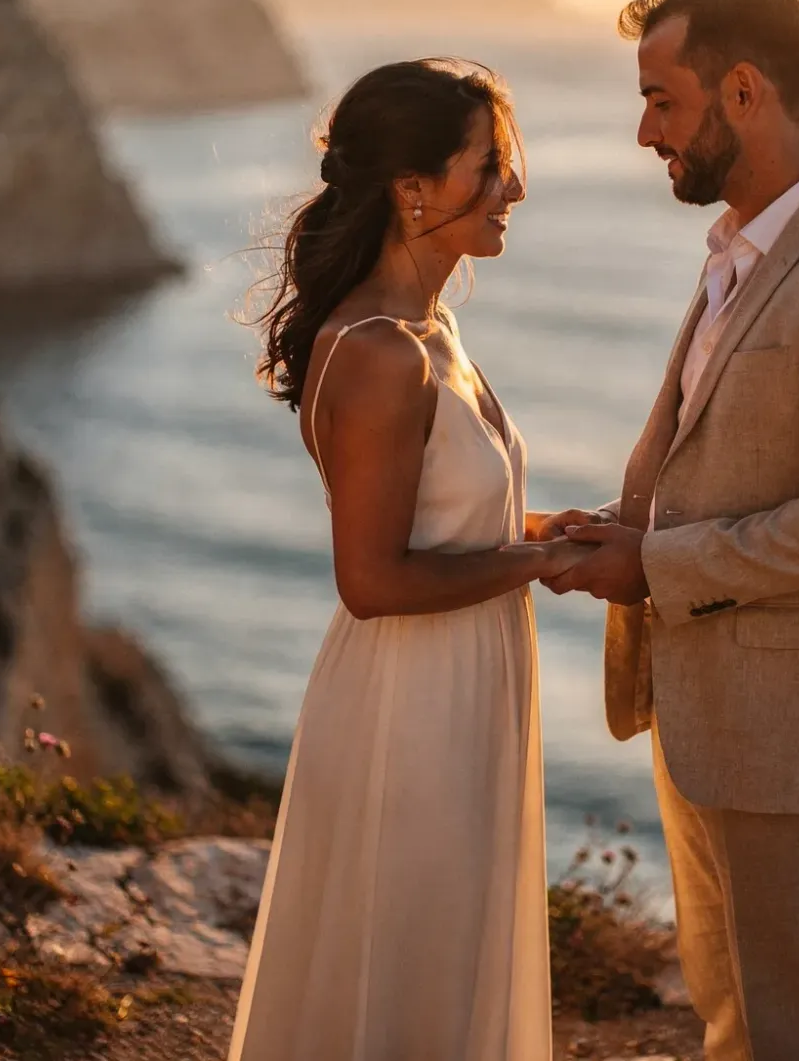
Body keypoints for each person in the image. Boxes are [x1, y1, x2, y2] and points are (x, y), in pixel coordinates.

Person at [538, 0, 799, 1061]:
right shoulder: (739, 250)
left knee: (798, 1029)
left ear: (738, 93)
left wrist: (656, 563)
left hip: (797, 729)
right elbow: (722, 456)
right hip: (708, 709)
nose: (643, 133)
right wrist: (623, 530)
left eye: (659, 100)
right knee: (731, 1015)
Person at [228, 58, 583, 1061]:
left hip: (463, 684)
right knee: (408, 966)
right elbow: (373, 580)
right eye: (491, 165)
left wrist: (545, 531)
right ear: (411, 186)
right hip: (411, 708)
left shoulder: (435, 329)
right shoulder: (382, 353)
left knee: (448, 957)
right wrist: (526, 565)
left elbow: (446, 520)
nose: (512, 188)